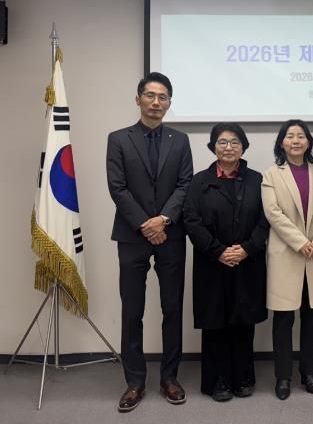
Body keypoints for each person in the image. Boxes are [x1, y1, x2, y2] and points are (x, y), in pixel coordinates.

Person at [106, 72, 193, 413]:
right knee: (132, 310)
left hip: (171, 234)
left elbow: (185, 184)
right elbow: (117, 187)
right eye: (150, 95)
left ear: (169, 102)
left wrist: (164, 220)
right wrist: (146, 224)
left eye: (163, 97)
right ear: (138, 98)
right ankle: (135, 381)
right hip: (132, 235)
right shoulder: (118, 139)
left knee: (172, 308)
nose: (156, 102)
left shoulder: (180, 140)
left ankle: (170, 377)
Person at [183, 123, 268, 402]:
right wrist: (218, 251)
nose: (228, 147)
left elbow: (266, 219)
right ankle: (216, 380)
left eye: (234, 142)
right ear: (213, 147)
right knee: (214, 321)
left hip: (247, 261)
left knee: (243, 320)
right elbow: (191, 220)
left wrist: (247, 249)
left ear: (243, 147)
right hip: (212, 262)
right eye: (222, 142)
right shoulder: (199, 181)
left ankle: (243, 377)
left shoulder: (257, 180)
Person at [262, 119, 313, 400]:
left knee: (311, 317)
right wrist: (301, 242)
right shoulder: (272, 174)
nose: (295, 140)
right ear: (281, 142)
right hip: (287, 253)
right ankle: (283, 377)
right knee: (283, 318)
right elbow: (273, 213)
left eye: (301, 136)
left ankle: (308, 373)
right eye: (290, 136)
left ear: (308, 142)